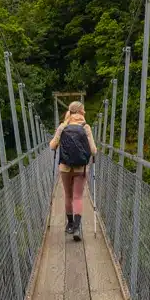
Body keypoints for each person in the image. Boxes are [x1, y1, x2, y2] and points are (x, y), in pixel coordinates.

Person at [50, 101, 97, 239]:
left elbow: (52, 146)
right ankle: (77, 228)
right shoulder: (85, 127)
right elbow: (93, 150)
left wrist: (58, 135)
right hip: (80, 168)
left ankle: (69, 224)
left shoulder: (63, 127)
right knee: (77, 197)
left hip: (64, 167)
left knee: (68, 196)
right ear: (81, 112)